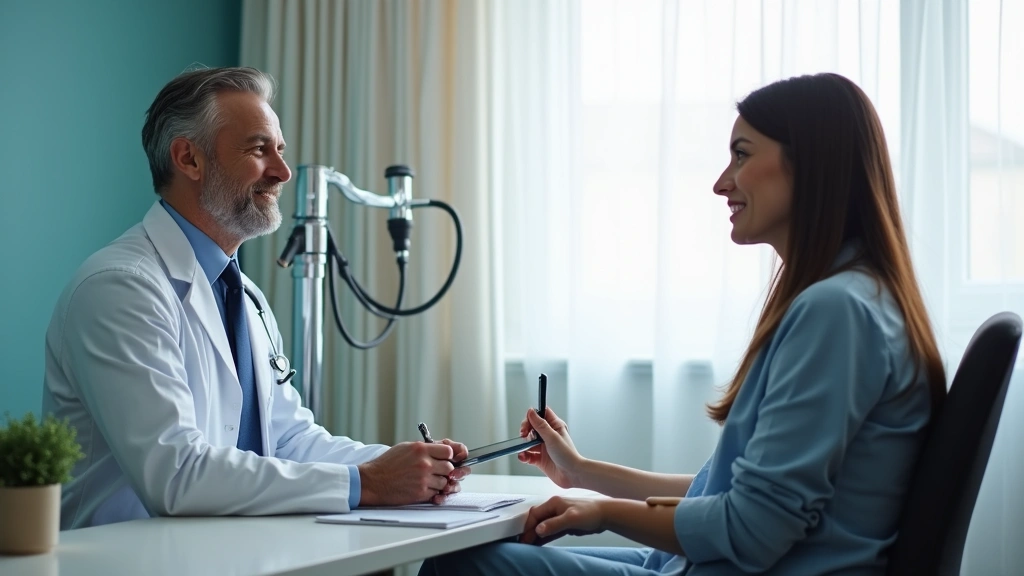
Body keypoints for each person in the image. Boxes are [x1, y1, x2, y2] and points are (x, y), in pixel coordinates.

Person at [419, 73, 947, 575]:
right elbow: (723, 495)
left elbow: (751, 529)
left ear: (810, 164)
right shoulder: (853, 298)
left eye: (741, 155)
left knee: (460, 565)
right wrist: (580, 474)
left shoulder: (836, 313)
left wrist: (603, 513)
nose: (722, 183)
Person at [42, 66, 470, 530]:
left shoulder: (244, 295)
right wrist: (368, 483)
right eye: (259, 149)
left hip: (227, 551)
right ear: (189, 159)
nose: (283, 172)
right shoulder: (119, 288)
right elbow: (176, 475)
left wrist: (410, 466)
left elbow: (288, 440)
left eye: (279, 150)